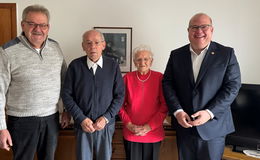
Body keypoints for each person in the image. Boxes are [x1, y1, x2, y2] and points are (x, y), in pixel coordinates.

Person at [162, 13, 241, 160]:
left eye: (204, 27)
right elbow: (167, 84)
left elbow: (233, 86)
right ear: (188, 31)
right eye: (194, 27)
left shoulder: (226, 54)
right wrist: (178, 111)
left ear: (212, 30)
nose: (199, 31)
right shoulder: (176, 55)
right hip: (184, 126)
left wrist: (209, 112)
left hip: (213, 127)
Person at [0, 4, 70, 160]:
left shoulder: (55, 47)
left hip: (52, 118)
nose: (38, 29)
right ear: (23, 25)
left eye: (43, 25)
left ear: (48, 27)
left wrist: (66, 110)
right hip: (21, 122)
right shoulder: (7, 51)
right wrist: (1, 128)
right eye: (32, 24)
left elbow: (65, 81)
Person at [61, 29, 125, 160]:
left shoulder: (113, 66)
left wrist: (106, 118)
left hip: (106, 126)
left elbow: (119, 96)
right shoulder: (75, 66)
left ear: (103, 45)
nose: (93, 47)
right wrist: (81, 118)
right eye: (88, 43)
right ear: (83, 46)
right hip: (82, 125)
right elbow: (67, 95)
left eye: (96, 42)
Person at [118, 45, 168, 160]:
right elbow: (119, 105)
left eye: (146, 59)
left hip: (153, 133)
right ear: (134, 62)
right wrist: (129, 125)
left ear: (151, 61)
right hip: (132, 132)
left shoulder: (160, 78)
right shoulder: (127, 78)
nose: (142, 62)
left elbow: (164, 106)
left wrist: (149, 127)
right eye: (139, 59)